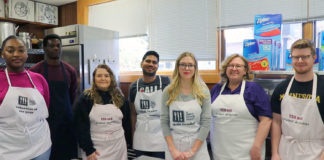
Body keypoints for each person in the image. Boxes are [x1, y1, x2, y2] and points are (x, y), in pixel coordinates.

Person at [209, 53, 272, 160]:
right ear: (225, 69)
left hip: (247, 152)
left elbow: (266, 120)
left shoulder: (254, 89)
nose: (234, 68)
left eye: (238, 66)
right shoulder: (217, 89)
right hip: (220, 151)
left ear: (245, 70)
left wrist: (257, 146)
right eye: (230, 65)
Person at [271, 39, 324, 160]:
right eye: (296, 57)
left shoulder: (322, 86)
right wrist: (275, 153)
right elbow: (276, 122)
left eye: (305, 57)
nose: (300, 61)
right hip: (286, 151)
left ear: (314, 58)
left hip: (316, 152)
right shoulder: (281, 88)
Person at [0, 35, 51, 159]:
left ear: (27, 54)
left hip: (40, 145)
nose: (16, 54)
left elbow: (46, 107)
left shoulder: (39, 79)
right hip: (8, 148)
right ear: (2, 54)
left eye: (21, 50)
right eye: (10, 50)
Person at [29, 34, 78, 160]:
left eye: (58, 45)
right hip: (45, 124)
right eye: (51, 46)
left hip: (66, 124)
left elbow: (72, 95)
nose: (56, 48)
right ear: (44, 48)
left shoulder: (69, 70)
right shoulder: (35, 71)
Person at [161, 52, 211, 160]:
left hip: (197, 144)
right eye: (183, 64)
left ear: (195, 68)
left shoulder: (203, 91)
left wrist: (192, 150)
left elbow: (206, 122)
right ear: (177, 67)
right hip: (174, 145)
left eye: (190, 65)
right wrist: (173, 150)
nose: (186, 68)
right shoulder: (168, 91)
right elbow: (164, 121)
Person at [74, 64, 130, 160]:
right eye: (99, 76)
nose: (103, 78)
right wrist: (89, 150)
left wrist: (128, 142)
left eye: (106, 76)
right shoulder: (85, 98)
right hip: (95, 151)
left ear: (111, 78)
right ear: (94, 79)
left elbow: (126, 123)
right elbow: (80, 127)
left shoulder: (120, 98)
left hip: (118, 148)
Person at [129, 50, 170, 159]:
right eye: (148, 61)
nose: (151, 64)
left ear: (157, 66)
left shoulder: (166, 82)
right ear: (141, 63)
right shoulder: (134, 86)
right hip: (141, 139)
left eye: (154, 62)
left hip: (161, 138)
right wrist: (133, 136)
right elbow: (133, 114)